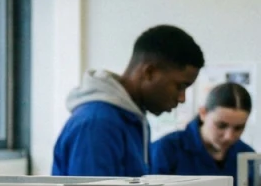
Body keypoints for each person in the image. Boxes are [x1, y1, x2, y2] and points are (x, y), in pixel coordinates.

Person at [52, 25, 204, 177]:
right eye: (180, 86)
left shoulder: (132, 119)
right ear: (149, 72)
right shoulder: (98, 123)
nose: (182, 98)